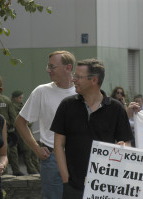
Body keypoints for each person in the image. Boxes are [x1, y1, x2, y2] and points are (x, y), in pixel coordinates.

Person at [52, 58, 134, 199]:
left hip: (106, 187)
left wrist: (122, 147)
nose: (73, 80)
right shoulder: (67, 105)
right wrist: (66, 180)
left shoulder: (116, 108)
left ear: (94, 80)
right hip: (74, 187)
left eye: (78, 76)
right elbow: (58, 145)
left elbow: (126, 142)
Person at [15, 50, 76, 199]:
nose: (48, 70)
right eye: (48, 66)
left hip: (78, 155)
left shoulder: (83, 91)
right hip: (52, 156)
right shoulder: (41, 91)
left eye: (52, 66)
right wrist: (36, 149)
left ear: (68, 68)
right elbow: (20, 122)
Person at [0, 94, 23, 176]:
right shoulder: (6, 100)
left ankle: (3, 171)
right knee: (12, 150)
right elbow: (13, 115)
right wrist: (12, 127)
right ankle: (16, 170)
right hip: (7, 129)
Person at [11, 90, 39, 174]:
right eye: (19, 98)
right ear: (15, 98)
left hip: (28, 129)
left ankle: (36, 167)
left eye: (22, 98)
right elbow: (18, 120)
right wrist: (28, 122)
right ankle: (31, 169)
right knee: (27, 150)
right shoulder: (12, 106)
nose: (21, 99)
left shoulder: (21, 105)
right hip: (21, 131)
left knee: (33, 150)